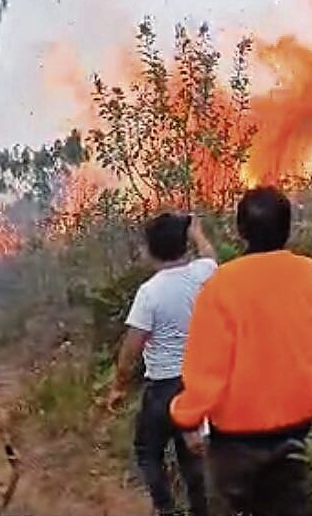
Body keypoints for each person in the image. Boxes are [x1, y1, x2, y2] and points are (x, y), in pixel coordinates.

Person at [170, 187, 312, 516]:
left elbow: (207, 368)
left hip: (237, 437)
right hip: (296, 425)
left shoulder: (221, 287)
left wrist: (187, 418)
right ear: (288, 228)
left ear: (240, 230)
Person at [106, 212, 216, 516]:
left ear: (150, 250)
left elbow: (132, 347)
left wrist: (118, 385)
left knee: (147, 451)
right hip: (196, 385)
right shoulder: (202, 273)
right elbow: (209, 255)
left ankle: (165, 509)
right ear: (184, 245)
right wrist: (197, 232)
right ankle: (200, 510)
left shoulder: (149, 292)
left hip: (163, 388)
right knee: (191, 457)